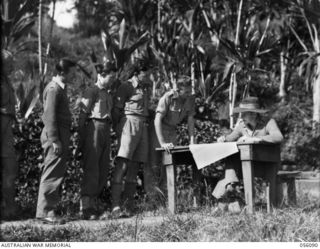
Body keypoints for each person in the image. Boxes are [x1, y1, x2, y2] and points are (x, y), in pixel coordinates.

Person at [213, 96, 284, 202]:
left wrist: (256, 139)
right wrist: (223, 139)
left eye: (245, 113)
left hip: (267, 164)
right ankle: (229, 187)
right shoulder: (242, 125)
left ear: (254, 114)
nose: (242, 116)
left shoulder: (269, 122)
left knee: (232, 164)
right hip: (247, 164)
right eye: (242, 113)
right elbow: (230, 138)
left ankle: (226, 191)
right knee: (232, 159)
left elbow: (279, 137)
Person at [108, 61, 152, 218]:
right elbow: (116, 110)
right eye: (145, 74)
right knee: (123, 163)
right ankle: (115, 206)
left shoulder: (146, 88)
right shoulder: (126, 86)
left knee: (135, 166)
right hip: (129, 123)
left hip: (142, 125)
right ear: (137, 74)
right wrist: (118, 128)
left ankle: (128, 206)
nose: (148, 77)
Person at [36, 58, 76, 225]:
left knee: (56, 172)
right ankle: (45, 212)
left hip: (60, 134)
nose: (74, 75)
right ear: (62, 73)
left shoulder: (60, 88)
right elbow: (49, 116)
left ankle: (48, 210)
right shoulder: (54, 89)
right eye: (72, 72)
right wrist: (55, 140)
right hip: (56, 135)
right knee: (51, 172)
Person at [78, 62, 116, 220]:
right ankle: (85, 207)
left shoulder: (107, 92)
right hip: (93, 128)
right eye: (111, 77)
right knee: (92, 167)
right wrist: (81, 138)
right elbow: (82, 115)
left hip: (106, 129)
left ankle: (94, 204)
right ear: (101, 75)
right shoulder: (92, 90)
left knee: (103, 167)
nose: (113, 79)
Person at [0, 50, 18, 220]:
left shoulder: (7, 80)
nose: (13, 66)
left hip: (7, 130)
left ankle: (9, 208)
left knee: (10, 169)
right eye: (9, 63)